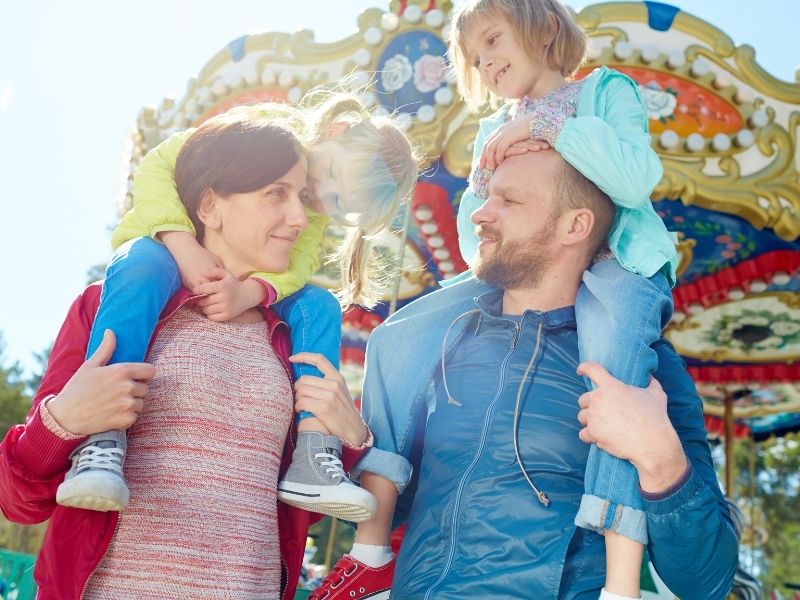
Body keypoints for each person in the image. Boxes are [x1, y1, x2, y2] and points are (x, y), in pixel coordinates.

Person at [310, 150, 737, 599]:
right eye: (488, 196)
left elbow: (706, 581)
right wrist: (352, 444)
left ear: (575, 226)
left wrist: (661, 458)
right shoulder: (441, 345)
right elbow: (397, 510)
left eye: (509, 202)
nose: (481, 214)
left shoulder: (642, 365)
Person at [0, 112, 375, 600]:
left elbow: (327, 500)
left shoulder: (294, 337)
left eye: (301, 197)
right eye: (275, 194)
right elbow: (18, 500)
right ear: (210, 205)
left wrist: (350, 437)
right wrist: (61, 421)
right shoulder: (108, 307)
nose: (301, 218)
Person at [54, 91, 418, 524]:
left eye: (338, 202)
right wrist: (180, 240)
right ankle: (101, 437)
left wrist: (254, 292)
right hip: (161, 243)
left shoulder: (310, 212)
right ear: (336, 131)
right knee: (139, 263)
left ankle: (315, 450)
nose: (321, 195)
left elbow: (299, 265)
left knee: (319, 304)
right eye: (335, 173)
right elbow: (161, 163)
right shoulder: (269, 129)